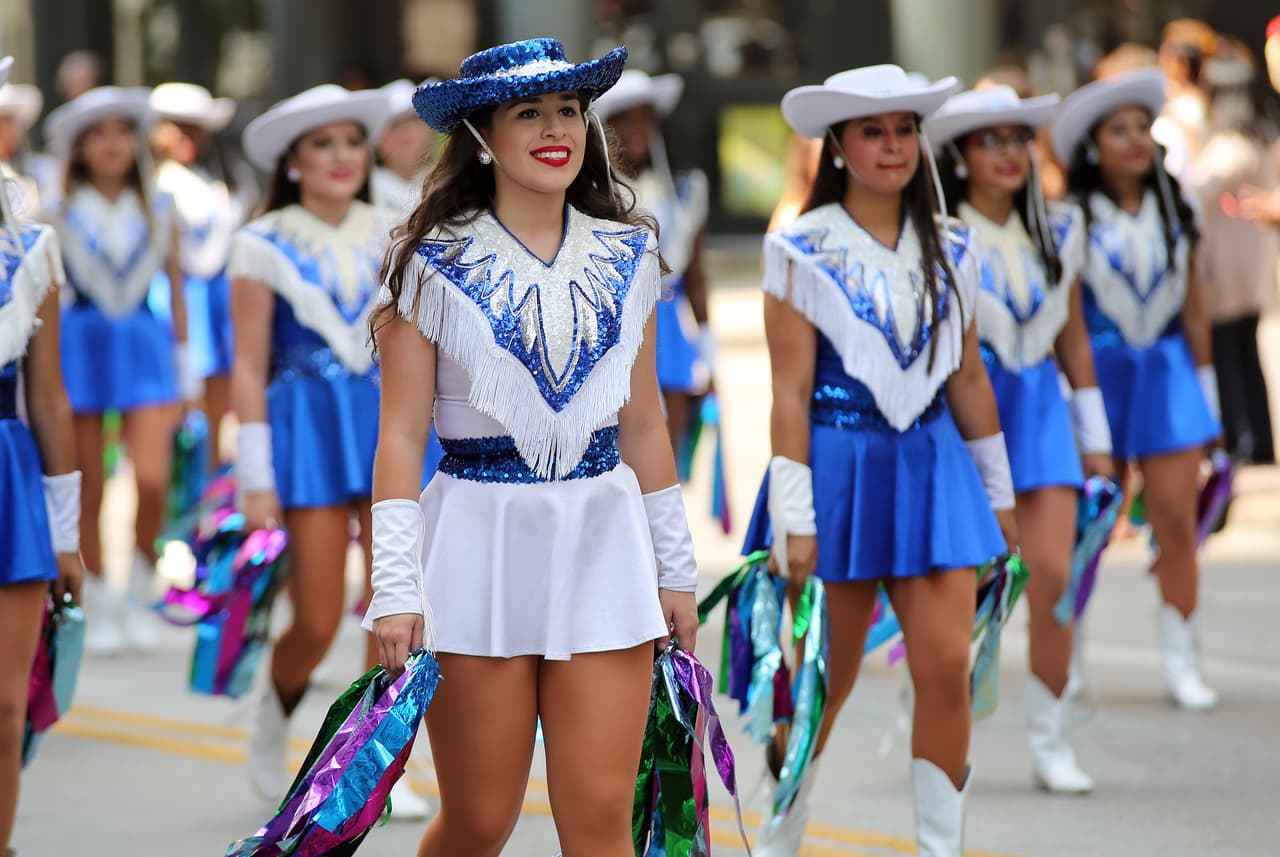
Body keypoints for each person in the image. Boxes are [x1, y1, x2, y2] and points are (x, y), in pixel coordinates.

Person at [364, 38, 700, 857]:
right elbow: (402, 434)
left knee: (597, 822)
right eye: (528, 112)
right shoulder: (430, 262)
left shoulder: (630, 254)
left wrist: (677, 568)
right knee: (481, 819)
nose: (556, 128)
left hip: (601, 540)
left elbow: (646, 422)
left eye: (569, 110)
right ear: (481, 136)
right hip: (479, 540)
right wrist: (394, 587)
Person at [743, 65, 1017, 856]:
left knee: (943, 666)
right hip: (836, 467)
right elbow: (789, 391)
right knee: (828, 677)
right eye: (873, 131)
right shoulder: (798, 247)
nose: (893, 146)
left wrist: (998, 490)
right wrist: (794, 513)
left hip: (933, 467)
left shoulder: (954, 244)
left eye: (904, 130)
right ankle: (779, 833)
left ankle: (940, 845)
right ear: (838, 146)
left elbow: (967, 374)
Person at [229, 83, 431, 820]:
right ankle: (273, 723)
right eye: (323, 145)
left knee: (397, 605)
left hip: (391, 423)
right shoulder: (261, 241)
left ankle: (372, 765)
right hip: (308, 432)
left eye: (352, 141)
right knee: (315, 617)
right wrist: (255, 475)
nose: (342, 157)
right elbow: (248, 366)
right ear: (291, 163)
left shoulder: (401, 223)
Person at [927, 86, 1114, 794]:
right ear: (960, 155)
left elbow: (1073, 334)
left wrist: (1095, 436)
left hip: (1039, 417)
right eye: (990, 140)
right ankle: (939, 715)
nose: (1009, 154)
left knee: (1055, 578)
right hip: (962, 417)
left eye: (1018, 140)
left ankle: (1050, 740)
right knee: (966, 587)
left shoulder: (1061, 229)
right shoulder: (940, 233)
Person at [1050, 68, 1221, 710]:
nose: (1134, 140)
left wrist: (1208, 398)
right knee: (1085, 526)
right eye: (1117, 130)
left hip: (1169, 375)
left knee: (1178, 520)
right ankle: (1068, 663)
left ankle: (1182, 661)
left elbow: (1197, 309)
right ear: (1092, 145)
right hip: (1099, 374)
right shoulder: (1068, 218)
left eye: (1142, 128)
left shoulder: (1181, 208)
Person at [44, 86, 196, 656]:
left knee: (154, 480)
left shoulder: (160, 207)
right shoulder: (55, 213)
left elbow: (177, 287)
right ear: (79, 148)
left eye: (121, 133)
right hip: (79, 349)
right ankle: (98, 597)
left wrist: (186, 370)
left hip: (143, 346)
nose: (112, 146)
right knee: (88, 485)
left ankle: (138, 585)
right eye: (97, 135)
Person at [0, 53, 83, 857]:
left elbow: (49, 396)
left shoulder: (31, 250)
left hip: (7, 479)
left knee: (3, 705)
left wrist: (67, 530)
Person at [593, 69, 715, 460]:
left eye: (646, 116)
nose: (639, 127)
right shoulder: (587, 199)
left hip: (670, 330)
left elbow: (694, 273)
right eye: (625, 117)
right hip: (611, 330)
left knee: (666, 457)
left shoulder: (682, 191)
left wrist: (708, 348)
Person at [1191, 43, 1277, 464]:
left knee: (1228, 355)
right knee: (1244, 353)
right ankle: (1257, 440)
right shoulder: (1261, 135)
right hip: (1251, 266)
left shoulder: (1230, 146)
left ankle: (1241, 440)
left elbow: (1196, 194)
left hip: (1226, 271)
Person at [150, 83, 240, 467]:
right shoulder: (155, 185)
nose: (188, 137)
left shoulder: (214, 180)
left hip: (215, 297)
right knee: (180, 398)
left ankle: (211, 486)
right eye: (177, 126)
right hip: (176, 295)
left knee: (218, 393)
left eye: (195, 128)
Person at [371, 78, 439, 215]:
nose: (411, 134)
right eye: (398, 125)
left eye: (417, 122)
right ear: (379, 140)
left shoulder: (443, 183)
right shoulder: (367, 188)